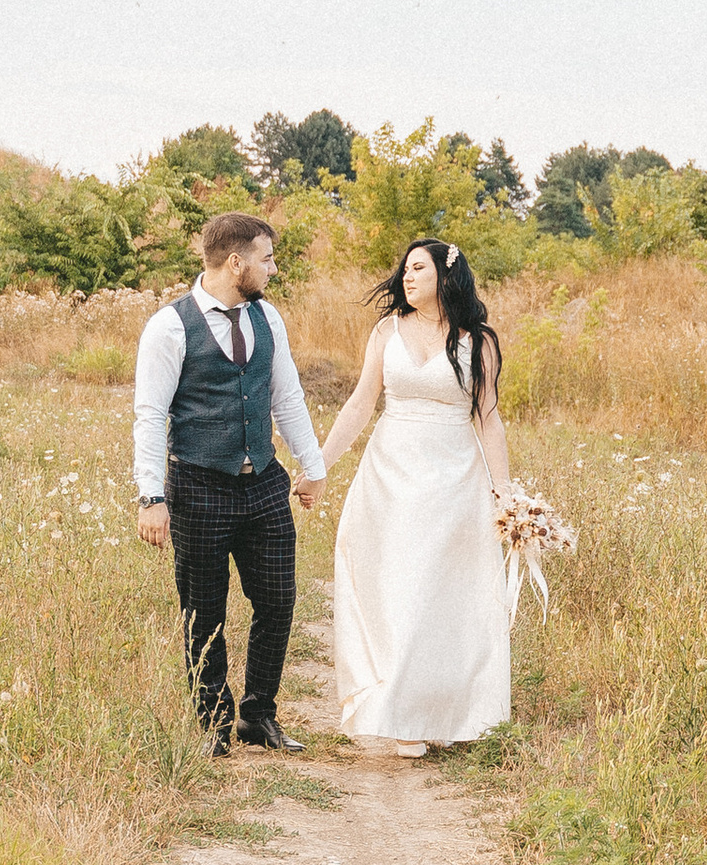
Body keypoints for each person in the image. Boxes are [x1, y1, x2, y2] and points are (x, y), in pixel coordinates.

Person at [132, 212, 325, 752]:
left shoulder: (269, 318)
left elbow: (286, 398)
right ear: (235, 262)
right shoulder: (169, 326)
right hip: (198, 484)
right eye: (266, 258)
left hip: (262, 483)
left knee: (279, 600)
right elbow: (150, 416)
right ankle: (212, 723)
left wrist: (313, 468)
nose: (273, 268)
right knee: (203, 608)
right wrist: (151, 496)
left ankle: (258, 715)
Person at [320, 237, 512, 756]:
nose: (406, 278)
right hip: (390, 474)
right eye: (404, 270)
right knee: (395, 586)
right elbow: (361, 404)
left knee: (441, 593)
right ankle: (398, 709)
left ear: (446, 276)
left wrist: (506, 495)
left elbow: (487, 418)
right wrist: (319, 467)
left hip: (454, 479)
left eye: (418, 269)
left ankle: (440, 710)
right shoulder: (387, 331)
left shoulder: (479, 341)